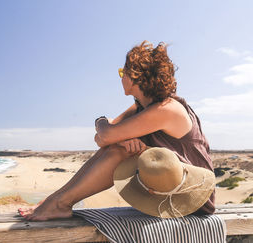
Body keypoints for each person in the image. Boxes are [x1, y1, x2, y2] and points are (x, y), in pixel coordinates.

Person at [19, 40, 215, 221]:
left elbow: (105, 134)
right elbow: (102, 138)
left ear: (136, 77)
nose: (121, 76)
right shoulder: (142, 106)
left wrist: (107, 128)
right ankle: (55, 201)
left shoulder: (166, 109)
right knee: (115, 148)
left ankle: (59, 204)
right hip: (166, 186)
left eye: (123, 72)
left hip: (193, 196)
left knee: (119, 150)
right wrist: (111, 130)